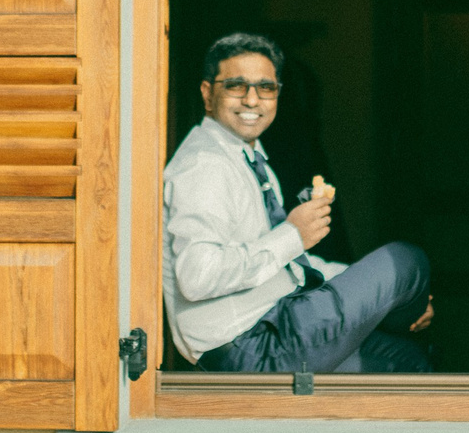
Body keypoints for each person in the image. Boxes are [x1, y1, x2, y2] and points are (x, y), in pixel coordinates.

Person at [162, 32, 435, 375]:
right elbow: (198, 276)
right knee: (404, 261)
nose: (252, 100)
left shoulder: (248, 157)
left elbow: (283, 266)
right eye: (236, 86)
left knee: (407, 362)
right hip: (249, 344)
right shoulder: (204, 165)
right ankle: (405, 316)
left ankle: (403, 316)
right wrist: (293, 234)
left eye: (266, 87)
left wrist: (379, 295)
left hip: (277, 324)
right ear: (207, 94)